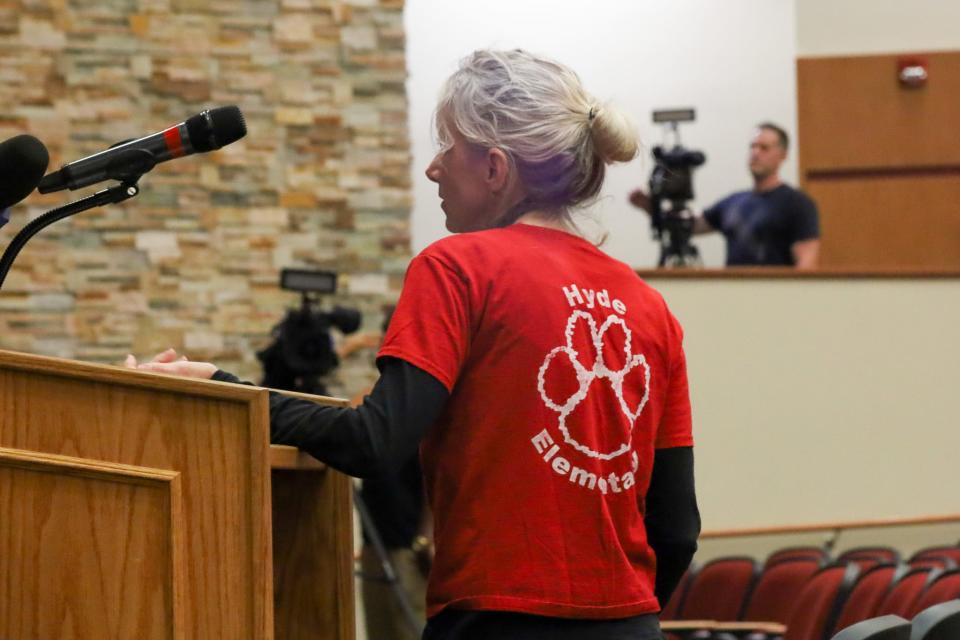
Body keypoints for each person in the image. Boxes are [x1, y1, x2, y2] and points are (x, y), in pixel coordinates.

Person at [127, 49, 700, 640]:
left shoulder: (457, 268)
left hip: (496, 622)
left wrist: (227, 394)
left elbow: (375, 442)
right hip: (631, 624)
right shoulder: (651, 307)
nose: (433, 169)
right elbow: (677, 529)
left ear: (496, 169)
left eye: (447, 147)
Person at [630, 123, 820, 268]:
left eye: (764, 148)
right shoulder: (734, 203)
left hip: (775, 299)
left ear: (783, 155)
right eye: (753, 146)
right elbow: (690, 226)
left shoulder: (797, 204)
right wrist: (650, 206)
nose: (755, 153)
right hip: (735, 298)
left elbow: (806, 266)